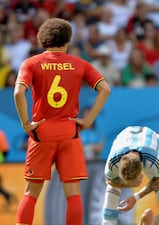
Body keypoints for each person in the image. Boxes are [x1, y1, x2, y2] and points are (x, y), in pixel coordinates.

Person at [13, 18, 111, 225]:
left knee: (31, 192)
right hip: (69, 130)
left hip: (42, 131)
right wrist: (88, 120)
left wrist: (25, 124)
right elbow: (105, 89)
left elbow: (18, 93)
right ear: (67, 39)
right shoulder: (80, 64)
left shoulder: (32, 63)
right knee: (73, 194)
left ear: (43, 39)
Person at [102, 125, 159, 225]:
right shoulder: (114, 161)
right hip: (125, 138)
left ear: (142, 166)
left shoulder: (154, 160)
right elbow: (108, 179)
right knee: (112, 188)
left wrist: (136, 196)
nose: (133, 186)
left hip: (152, 143)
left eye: (134, 183)